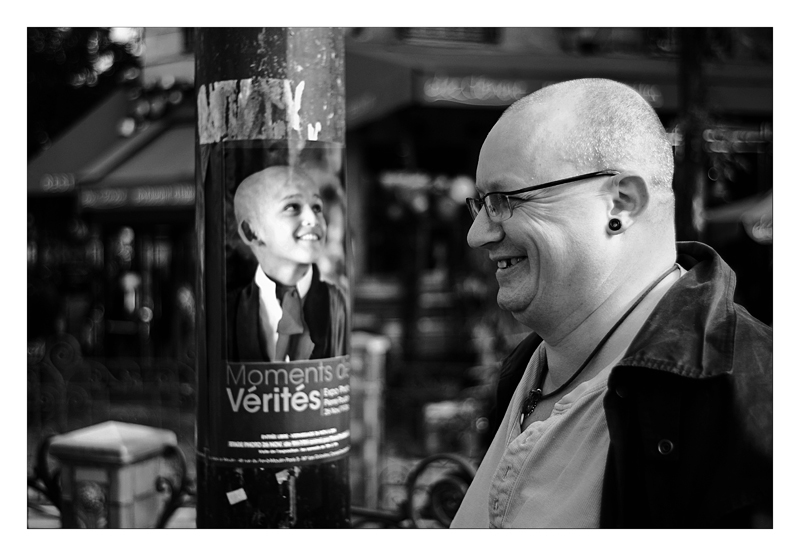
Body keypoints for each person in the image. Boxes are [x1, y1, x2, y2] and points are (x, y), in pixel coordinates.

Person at [451, 78, 772, 528]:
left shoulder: (746, 399)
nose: (477, 234)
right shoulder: (528, 366)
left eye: (505, 200)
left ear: (621, 203)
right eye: (481, 203)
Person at [226, 165, 347, 362]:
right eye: (292, 207)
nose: (312, 219)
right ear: (251, 231)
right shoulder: (228, 311)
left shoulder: (338, 304)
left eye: (317, 207)